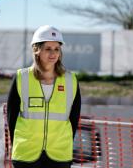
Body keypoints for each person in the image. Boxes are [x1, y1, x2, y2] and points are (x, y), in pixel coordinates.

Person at [7, 25, 82, 168]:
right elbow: (11, 117)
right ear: (36, 49)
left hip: (59, 154)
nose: (53, 53)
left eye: (57, 49)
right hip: (26, 154)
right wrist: (18, 143)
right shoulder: (21, 77)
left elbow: (74, 116)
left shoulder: (71, 80)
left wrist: (65, 143)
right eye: (48, 48)